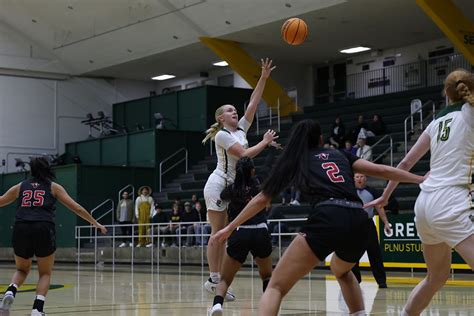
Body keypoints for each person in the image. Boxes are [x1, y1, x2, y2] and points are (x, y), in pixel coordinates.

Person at [210, 119, 424, 316]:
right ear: (321, 139)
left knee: (275, 285)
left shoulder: (296, 160)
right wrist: (419, 179)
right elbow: (382, 170)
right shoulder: (341, 155)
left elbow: (260, 200)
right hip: (360, 220)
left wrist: (230, 228)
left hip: (329, 215)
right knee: (342, 270)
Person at [365, 69, 474, 316]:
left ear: (446, 95)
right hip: (451, 200)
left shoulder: (435, 124)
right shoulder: (470, 113)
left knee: (436, 277)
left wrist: (385, 196)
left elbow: (404, 164)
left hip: (424, 204)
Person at [201, 58, 278, 300]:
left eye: (235, 109)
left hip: (233, 185)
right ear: (221, 118)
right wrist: (265, 142)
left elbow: (253, 104)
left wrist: (263, 78)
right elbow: (244, 154)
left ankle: (216, 279)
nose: (235, 112)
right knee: (218, 232)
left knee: (225, 233)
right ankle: (214, 280)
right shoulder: (222, 136)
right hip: (218, 184)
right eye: (229, 111)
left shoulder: (241, 129)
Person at [0, 157, 107, 316]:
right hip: (43, 227)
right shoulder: (53, 187)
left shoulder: (20, 186)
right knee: (45, 273)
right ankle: (37, 309)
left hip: (21, 227)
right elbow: (76, 208)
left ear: (32, 170)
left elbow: (1, 201)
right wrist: (95, 222)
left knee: (22, 269)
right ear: (48, 169)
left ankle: (10, 291)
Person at [209, 157, 272, 315]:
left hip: (240, 232)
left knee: (224, 279)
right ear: (252, 171)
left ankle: (217, 306)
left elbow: (222, 196)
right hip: (260, 231)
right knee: (266, 276)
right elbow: (268, 204)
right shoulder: (259, 186)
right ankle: (268, 308)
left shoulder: (232, 189)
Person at [351, 173, 391, 288]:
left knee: (375, 253)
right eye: (357, 177)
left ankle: (381, 281)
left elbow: (379, 207)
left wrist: (386, 222)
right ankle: (355, 281)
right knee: (353, 253)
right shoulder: (348, 191)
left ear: (366, 179)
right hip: (353, 225)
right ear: (353, 178)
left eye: (362, 177)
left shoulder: (372, 191)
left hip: (368, 225)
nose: (359, 179)